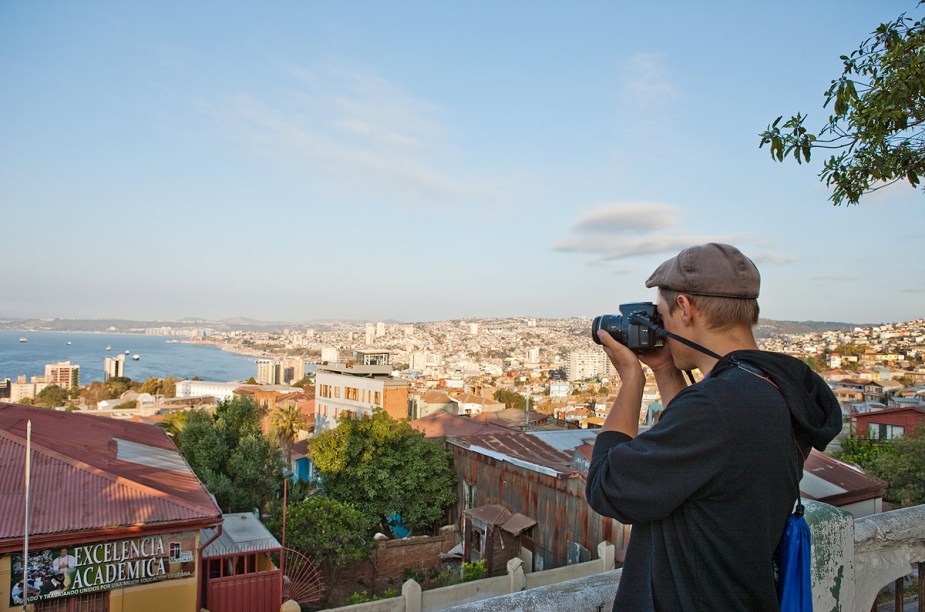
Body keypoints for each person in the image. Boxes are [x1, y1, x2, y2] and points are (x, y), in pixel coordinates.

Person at [585, 243, 842, 611]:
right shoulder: (773, 387)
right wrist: (664, 369)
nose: (662, 328)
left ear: (686, 308)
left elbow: (606, 486)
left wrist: (631, 380)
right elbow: (698, 457)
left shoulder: (716, 407)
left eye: (662, 316)